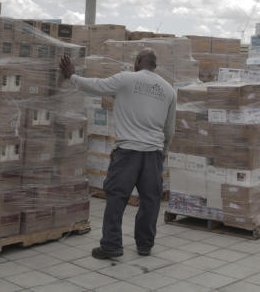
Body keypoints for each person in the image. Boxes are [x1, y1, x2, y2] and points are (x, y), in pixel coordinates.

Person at [59, 48, 175, 259]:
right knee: (151, 201)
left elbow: (96, 86)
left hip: (127, 152)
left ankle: (112, 246)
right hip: (153, 154)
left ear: (138, 60)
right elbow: (170, 130)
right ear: (154, 64)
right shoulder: (168, 90)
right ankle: (145, 245)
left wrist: (72, 76)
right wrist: (163, 151)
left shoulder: (125, 79)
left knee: (116, 198)